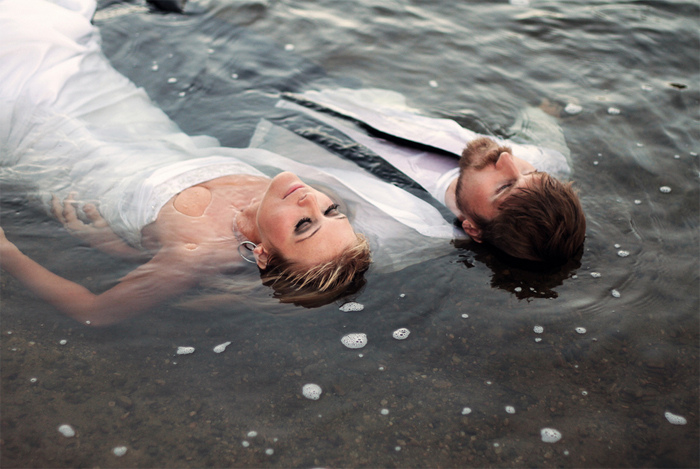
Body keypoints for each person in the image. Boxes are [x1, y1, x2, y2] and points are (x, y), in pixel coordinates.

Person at [0, 0, 372, 325]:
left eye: (305, 225)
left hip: (40, 129)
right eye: (333, 210)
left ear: (262, 254)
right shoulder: (273, 194)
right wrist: (120, 247)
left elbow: (96, 313)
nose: (311, 201)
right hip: (104, 96)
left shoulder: (197, 255)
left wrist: (7, 252)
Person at [272, 88, 586, 264]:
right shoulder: (543, 161)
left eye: (504, 186)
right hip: (333, 93)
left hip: (271, 129)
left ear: (472, 229)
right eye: (531, 172)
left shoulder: (402, 226)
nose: (507, 160)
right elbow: (546, 134)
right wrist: (543, 113)